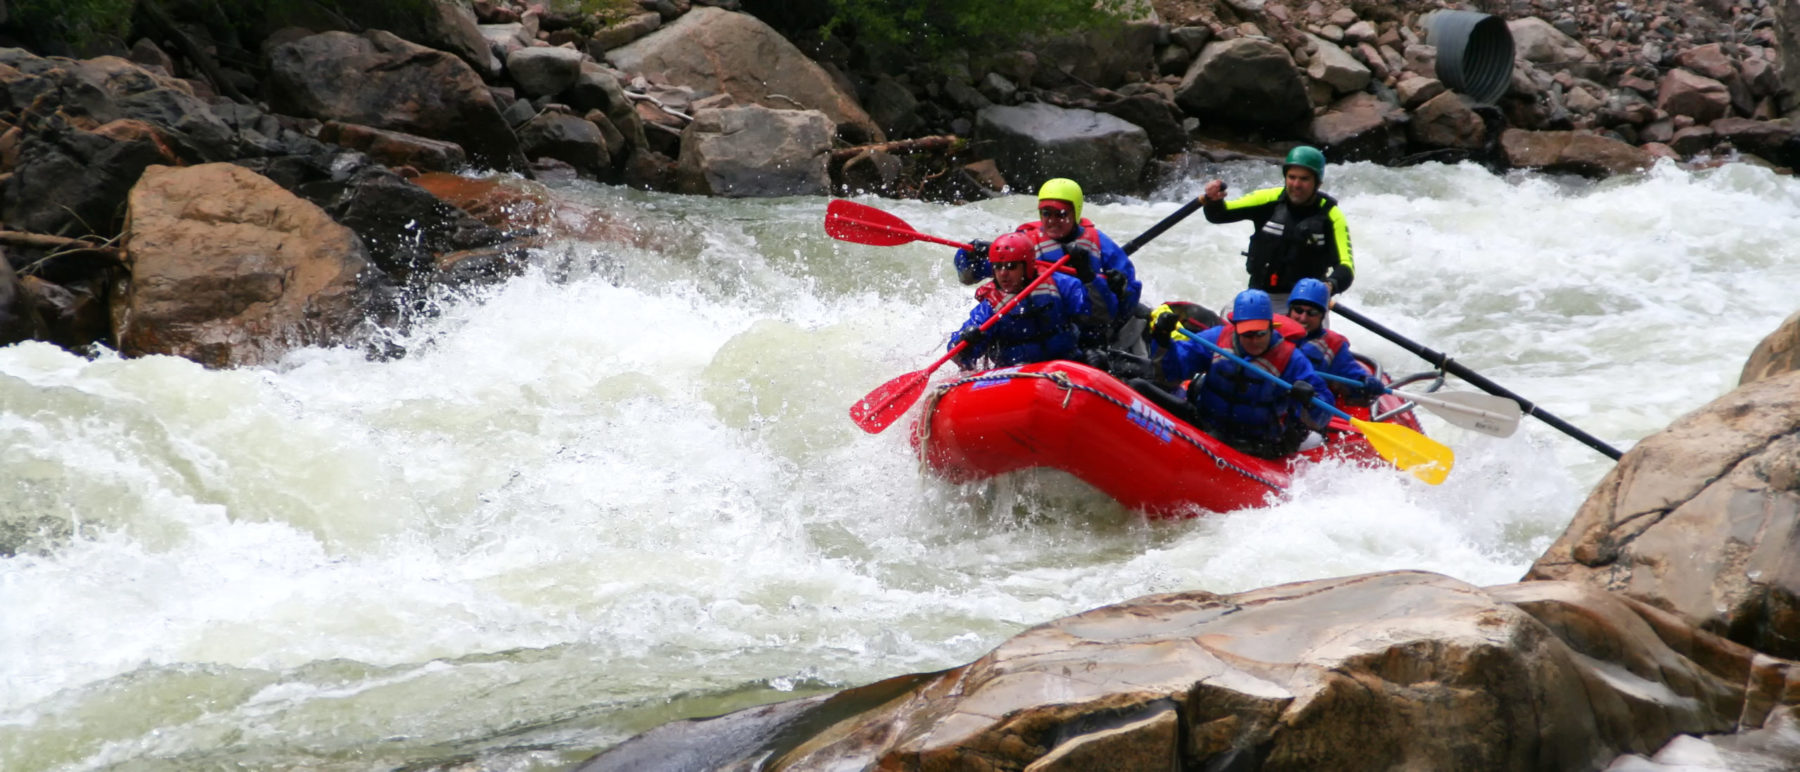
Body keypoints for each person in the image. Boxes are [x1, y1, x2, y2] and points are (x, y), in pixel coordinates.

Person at [953, 178, 1145, 351]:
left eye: (1060, 214)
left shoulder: (1097, 243)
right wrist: (970, 254)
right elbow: (970, 275)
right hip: (1035, 318)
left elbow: (1117, 305)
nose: (1052, 221)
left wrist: (1119, 289)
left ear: (1075, 211)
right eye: (1046, 213)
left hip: (1088, 326)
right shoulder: (1023, 243)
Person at [1159, 289, 1335, 458]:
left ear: (1271, 326)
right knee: (1140, 386)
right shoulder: (1216, 339)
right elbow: (1171, 372)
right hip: (1206, 424)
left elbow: (1324, 415)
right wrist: (1163, 342)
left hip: (1258, 445)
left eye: (1260, 333)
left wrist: (1310, 401)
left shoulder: (1292, 360)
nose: (1255, 340)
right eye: (1248, 334)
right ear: (1236, 328)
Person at [1198, 146, 1356, 312]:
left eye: (1304, 179)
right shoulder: (1267, 199)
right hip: (1259, 296)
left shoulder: (1331, 215)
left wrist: (1330, 286)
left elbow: (1346, 266)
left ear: (1318, 182)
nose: (1296, 184)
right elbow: (1219, 214)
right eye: (1291, 177)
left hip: (1305, 305)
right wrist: (1214, 200)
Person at [947, 231, 1086, 369]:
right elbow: (956, 354)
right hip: (1016, 374)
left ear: (1028, 266)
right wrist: (964, 342)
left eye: (1010, 266)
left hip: (1065, 366)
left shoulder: (1061, 285)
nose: (1003, 274)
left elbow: (1096, 318)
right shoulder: (991, 307)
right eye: (997, 266)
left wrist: (1088, 275)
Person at [1283, 277, 1386, 403]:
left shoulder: (1332, 346)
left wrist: (1364, 381)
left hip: (1306, 406)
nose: (1303, 318)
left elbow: (1350, 372)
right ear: (1290, 310)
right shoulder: (1270, 333)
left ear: (1322, 315)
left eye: (1312, 312)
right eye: (1298, 310)